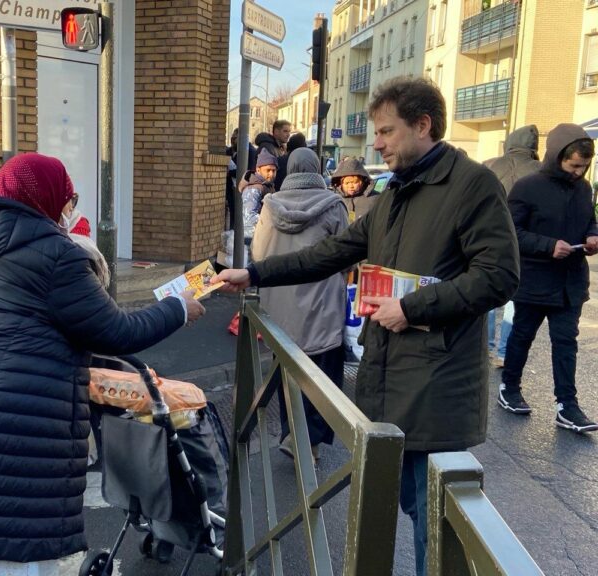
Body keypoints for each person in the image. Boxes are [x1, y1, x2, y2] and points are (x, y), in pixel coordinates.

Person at [212, 77, 519, 576]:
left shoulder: (471, 186)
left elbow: (500, 276)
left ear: (423, 126)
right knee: (402, 506)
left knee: (432, 521)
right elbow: (331, 253)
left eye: (385, 132)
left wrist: (415, 307)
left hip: (435, 385)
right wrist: (256, 272)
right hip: (388, 377)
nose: (375, 143)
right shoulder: (394, 193)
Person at [0, 153, 205, 575]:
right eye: (69, 198)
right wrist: (179, 309)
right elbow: (117, 332)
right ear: (48, 198)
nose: (70, 209)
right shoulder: (54, 256)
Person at [499, 124, 598, 433]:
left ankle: (567, 405)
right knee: (522, 336)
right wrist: (547, 246)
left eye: (584, 167)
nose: (579, 173)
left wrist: (593, 236)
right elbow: (511, 232)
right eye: (574, 166)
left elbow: (589, 219)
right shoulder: (528, 187)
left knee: (566, 342)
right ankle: (509, 388)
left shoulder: (584, 188)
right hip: (534, 279)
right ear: (557, 157)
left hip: (570, 283)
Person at [252, 148, 348, 461]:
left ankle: (290, 432)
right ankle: (311, 440)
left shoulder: (270, 205)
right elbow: (347, 255)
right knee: (322, 375)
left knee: (287, 371)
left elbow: (259, 254)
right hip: (323, 304)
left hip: (279, 303)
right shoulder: (333, 205)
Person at [484, 125, 542, 367]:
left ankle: (483, 347)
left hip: (487, 240)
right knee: (514, 302)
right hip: (524, 245)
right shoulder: (540, 172)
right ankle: (504, 352)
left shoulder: (489, 165)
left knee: (483, 295)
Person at [239, 148, 278, 244]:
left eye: (274, 170)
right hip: (254, 239)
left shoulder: (267, 185)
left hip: (263, 237)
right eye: (268, 170)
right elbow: (250, 217)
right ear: (258, 170)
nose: (271, 174)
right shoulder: (254, 189)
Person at [331, 157, 378, 222]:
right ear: (340, 184)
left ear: (362, 182)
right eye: (347, 183)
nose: (351, 186)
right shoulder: (335, 200)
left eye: (355, 182)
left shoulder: (374, 198)